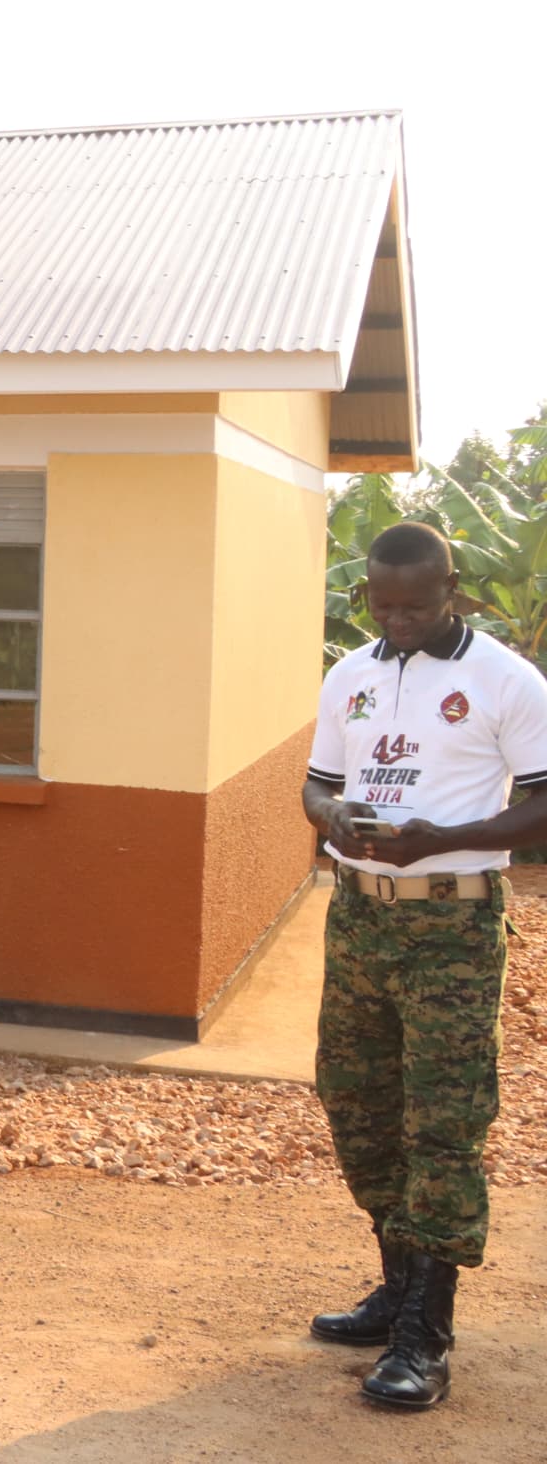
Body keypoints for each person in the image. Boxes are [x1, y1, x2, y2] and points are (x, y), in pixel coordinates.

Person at [301, 521, 547, 1410]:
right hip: (359, 921)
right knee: (358, 1102)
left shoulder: (507, 682)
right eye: (382, 603)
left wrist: (443, 841)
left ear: (453, 591)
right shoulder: (351, 675)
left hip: (451, 928)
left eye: (416, 603)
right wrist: (331, 819)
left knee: (442, 1123)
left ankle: (426, 1336)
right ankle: (395, 1286)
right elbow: (316, 781)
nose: (397, 619)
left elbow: (544, 804)